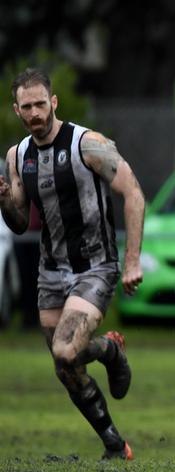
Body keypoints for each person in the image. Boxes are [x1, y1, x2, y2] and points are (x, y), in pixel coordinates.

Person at [0, 68, 145, 460]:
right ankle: (115, 443)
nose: (35, 113)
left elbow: (133, 194)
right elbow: (16, 223)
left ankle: (110, 355)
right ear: (17, 109)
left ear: (54, 102)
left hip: (95, 264)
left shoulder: (88, 144)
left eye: (41, 104)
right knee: (66, 365)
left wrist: (132, 261)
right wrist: (4, 200)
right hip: (51, 270)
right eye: (26, 106)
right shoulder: (18, 156)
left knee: (64, 350)